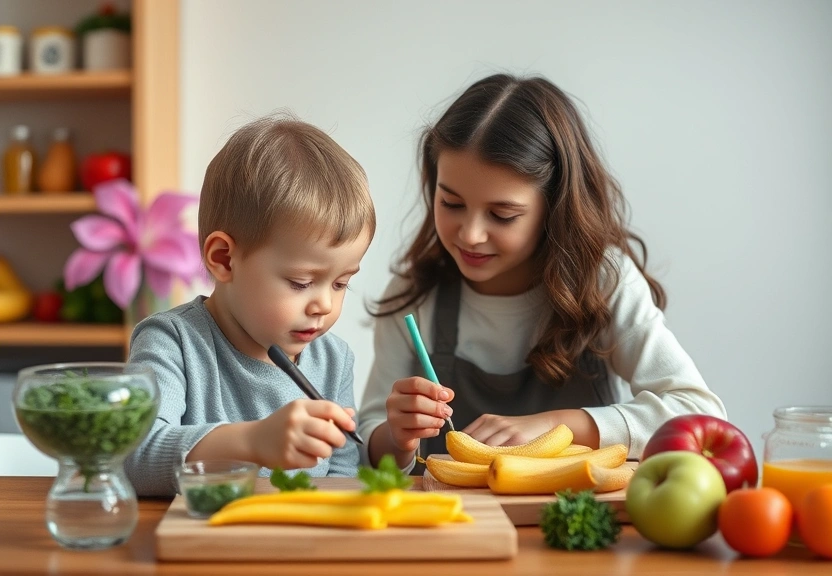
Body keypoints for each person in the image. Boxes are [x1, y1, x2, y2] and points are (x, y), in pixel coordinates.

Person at [358, 74, 726, 471]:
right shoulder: (416, 295)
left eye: (502, 215)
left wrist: (560, 425)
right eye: (451, 203)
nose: (471, 234)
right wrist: (394, 437)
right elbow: (368, 443)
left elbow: (702, 416)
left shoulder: (604, 281)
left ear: (554, 207)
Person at [125, 116, 376, 495]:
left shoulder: (332, 359)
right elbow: (135, 457)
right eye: (301, 283)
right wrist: (253, 442)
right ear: (224, 259)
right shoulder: (172, 342)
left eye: (342, 283)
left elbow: (344, 476)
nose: (324, 304)